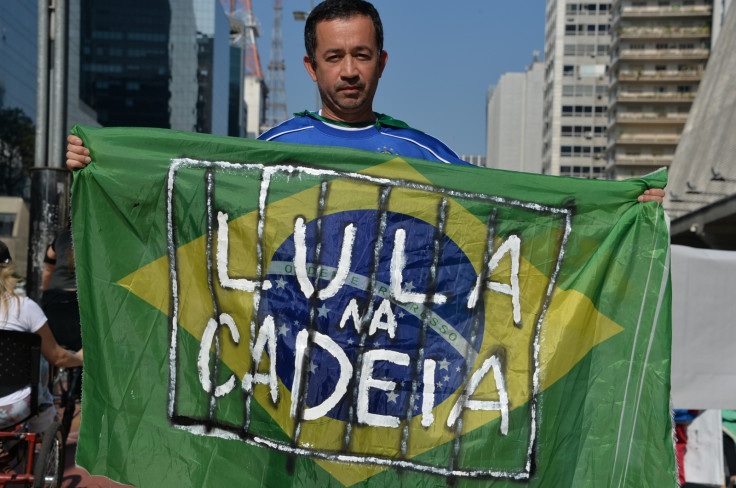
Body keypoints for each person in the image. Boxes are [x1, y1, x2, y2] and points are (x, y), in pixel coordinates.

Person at [64, 0, 664, 203]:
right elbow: (190, 200)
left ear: (381, 60)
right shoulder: (273, 151)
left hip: (388, 387)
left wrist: (620, 203)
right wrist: (107, 169)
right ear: (310, 66)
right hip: (289, 375)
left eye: (361, 55)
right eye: (334, 57)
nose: (349, 71)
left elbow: (513, 210)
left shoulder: (422, 154)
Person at [0, 240, 83, 433]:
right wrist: (79, 358)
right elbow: (58, 357)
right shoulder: (24, 307)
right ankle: (41, 428)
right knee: (40, 358)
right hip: (15, 408)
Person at [40, 228, 82, 352]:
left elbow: (48, 269)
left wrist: (46, 296)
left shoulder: (63, 236)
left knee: (52, 347)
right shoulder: (101, 235)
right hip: (80, 301)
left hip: (56, 298)